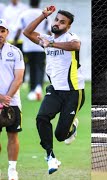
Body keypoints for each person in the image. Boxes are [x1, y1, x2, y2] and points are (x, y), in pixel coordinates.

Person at [23, 6, 85, 174]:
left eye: (62, 22)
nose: (57, 23)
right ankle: (51, 156)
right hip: (55, 91)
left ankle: (72, 127)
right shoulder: (47, 39)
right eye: (56, 20)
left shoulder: (70, 37)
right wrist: (43, 15)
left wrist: (51, 43)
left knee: (60, 136)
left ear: (68, 26)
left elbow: (76, 45)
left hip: (74, 92)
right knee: (41, 118)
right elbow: (27, 32)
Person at [0, 19, 25, 180]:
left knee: (13, 134)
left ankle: (12, 170)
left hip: (12, 102)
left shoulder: (15, 51)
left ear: (7, 32)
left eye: (2, 31)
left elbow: (19, 78)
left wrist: (6, 98)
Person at [14, 0, 51, 101]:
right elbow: (49, 30)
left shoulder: (24, 14)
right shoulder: (44, 14)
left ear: (30, 3)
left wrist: (15, 42)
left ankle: (31, 91)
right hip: (41, 45)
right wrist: (51, 42)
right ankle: (38, 87)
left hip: (27, 46)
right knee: (40, 67)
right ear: (39, 3)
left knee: (30, 67)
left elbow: (18, 29)